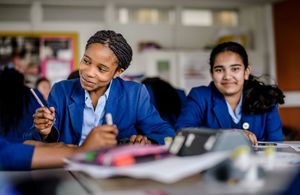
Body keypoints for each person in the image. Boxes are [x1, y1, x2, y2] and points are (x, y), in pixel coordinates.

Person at [27, 30, 175, 145]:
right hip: (69, 169)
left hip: (115, 171)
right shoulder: (61, 91)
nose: (89, 73)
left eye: (101, 69)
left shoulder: (134, 94)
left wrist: (148, 142)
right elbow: (36, 140)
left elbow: (165, 134)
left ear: (118, 72)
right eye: (86, 61)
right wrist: (44, 131)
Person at [175, 42, 285, 144]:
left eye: (235, 69)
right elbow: (182, 132)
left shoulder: (266, 98)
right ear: (212, 74)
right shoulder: (199, 96)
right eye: (219, 70)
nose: (227, 76)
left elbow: (276, 144)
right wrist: (231, 134)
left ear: (246, 72)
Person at [0, 125, 118, 170]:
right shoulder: (59, 91)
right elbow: (5, 153)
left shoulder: (134, 95)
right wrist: (79, 151)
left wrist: (28, 144)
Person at [0, 67, 46, 142]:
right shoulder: (33, 95)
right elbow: (46, 117)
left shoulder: (32, 94)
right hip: (31, 146)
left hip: (4, 147)